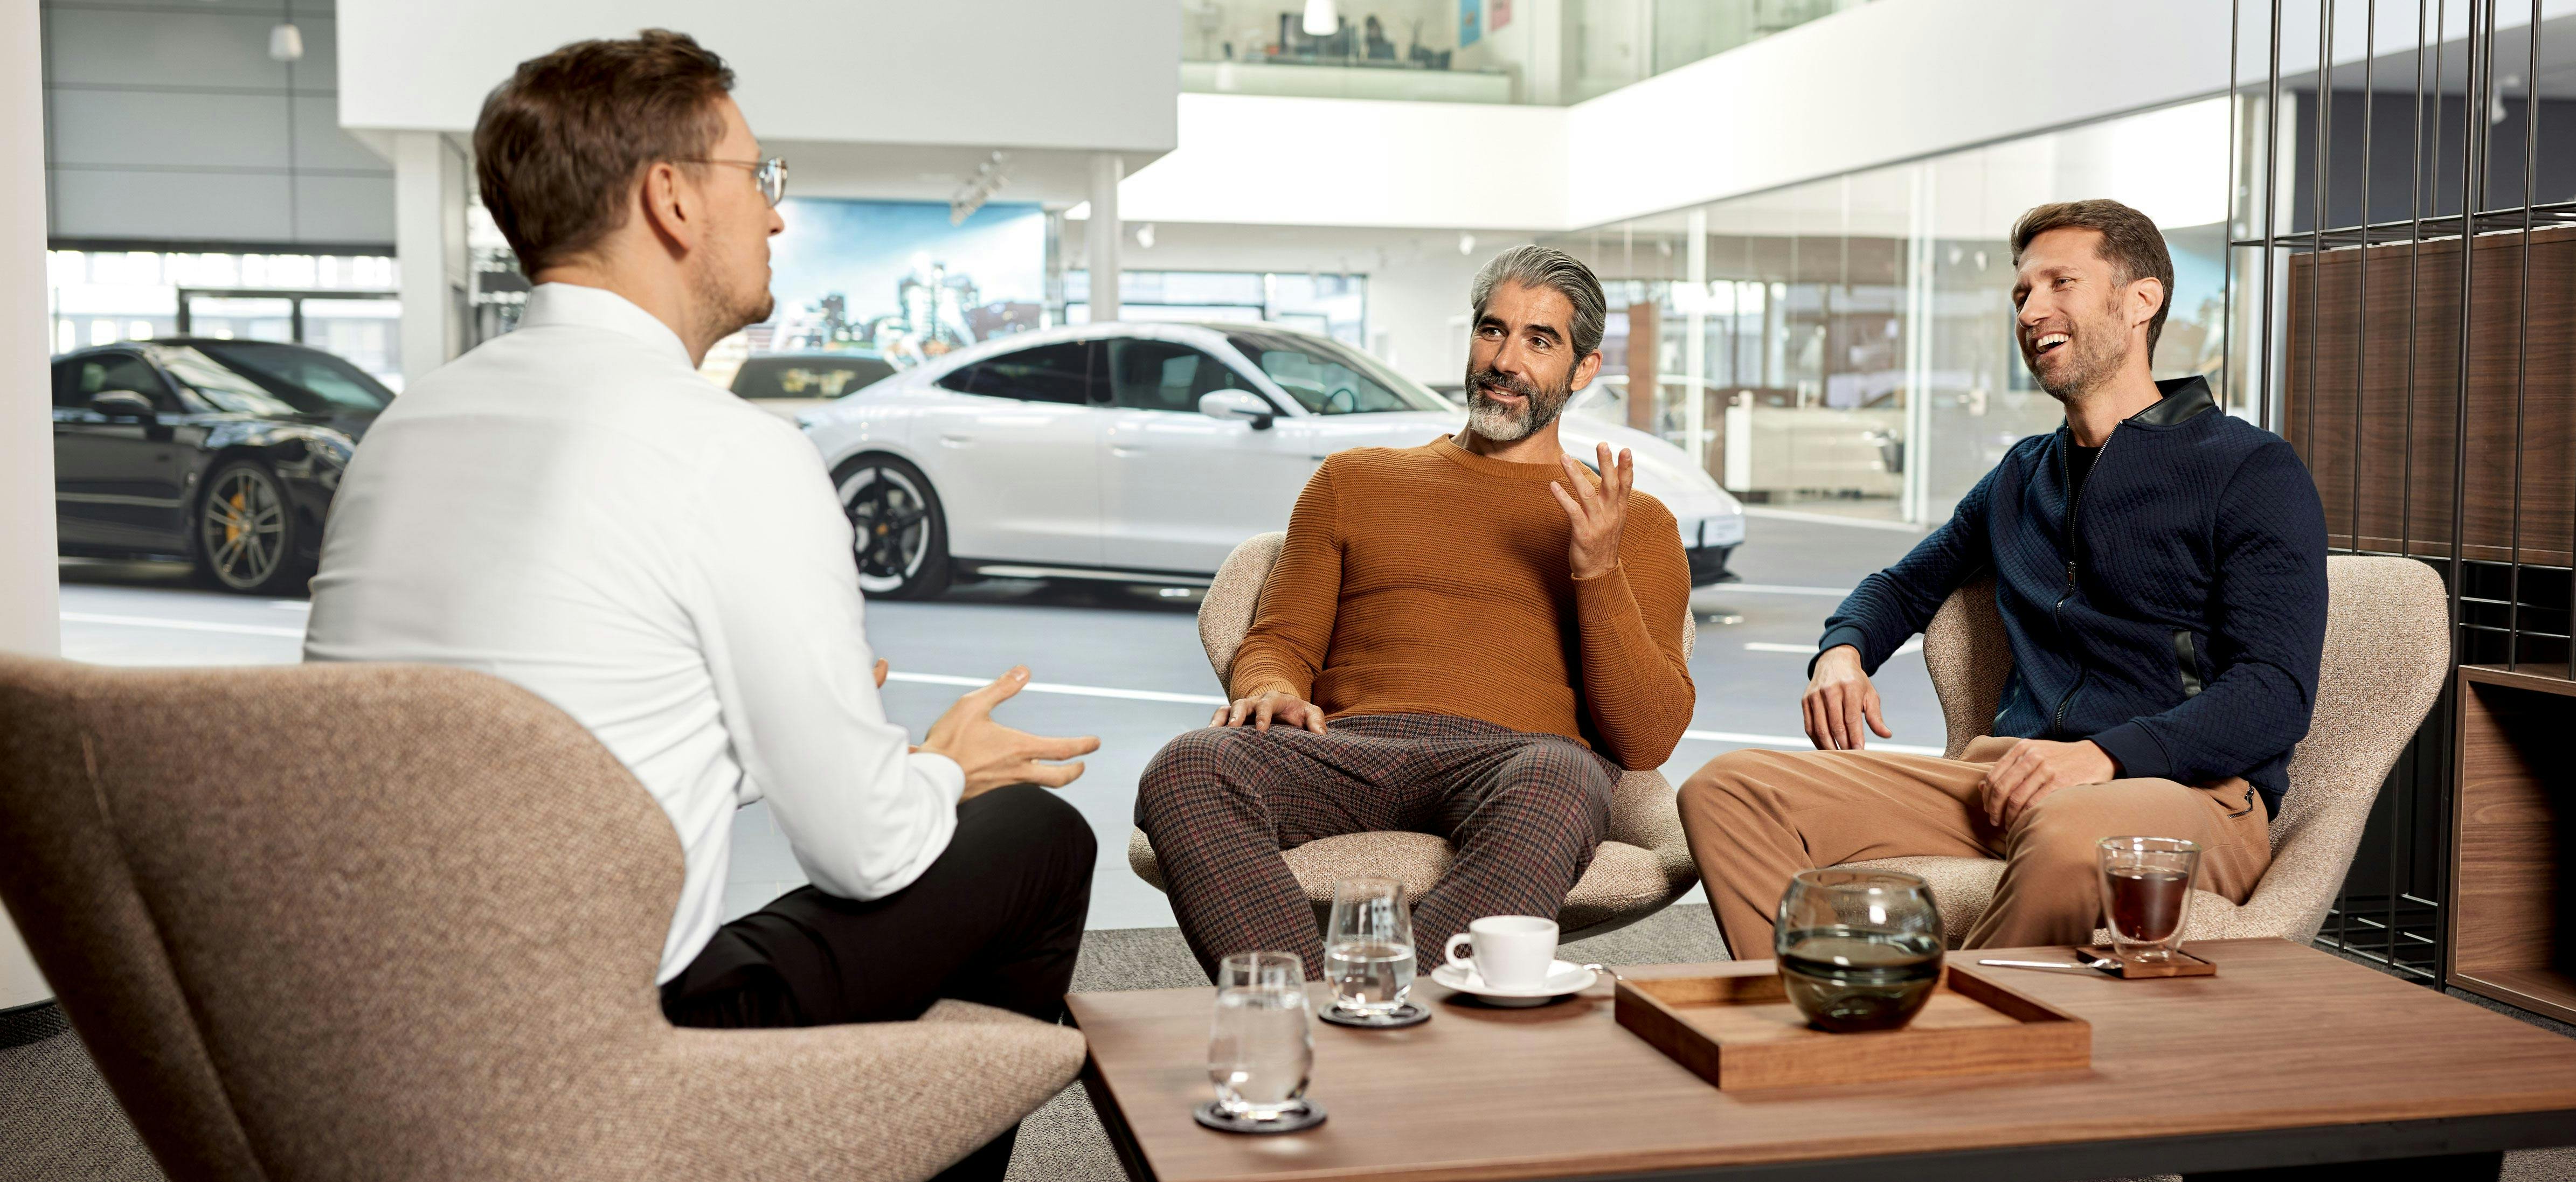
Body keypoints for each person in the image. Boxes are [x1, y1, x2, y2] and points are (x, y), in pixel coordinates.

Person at [302, 32, 1096, 1179]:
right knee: (1031, 837)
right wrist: (936, 766)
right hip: (610, 1067)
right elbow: (864, 855)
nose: (776, 216)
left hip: (362, 1055)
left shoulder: (401, 433)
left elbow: (502, 760)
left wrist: (729, 741)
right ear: (670, 197)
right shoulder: (729, 453)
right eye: (758, 177)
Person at [1678, 199, 2326, 959]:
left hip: (2187, 800)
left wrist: (2105, 755)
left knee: (2067, 833)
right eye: (2022, 293)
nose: (2032, 310)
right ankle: (1818, 1018)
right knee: (1725, 790)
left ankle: (1931, 1046)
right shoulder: (2022, 475)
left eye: (2061, 283)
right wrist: (1842, 653)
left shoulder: (2249, 467)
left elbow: (2275, 691)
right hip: (2004, 786)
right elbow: (1900, 587)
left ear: (2141, 300)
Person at [1134, 245, 1694, 978]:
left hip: (1515, 761)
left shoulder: (1633, 521)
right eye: (1493, 330)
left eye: (1540, 340)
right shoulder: (1354, 480)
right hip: (1345, 749)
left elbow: (1646, 735)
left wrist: (1596, 569)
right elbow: (1279, 641)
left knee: (1562, 777)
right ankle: (1306, 1013)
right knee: (1185, 766)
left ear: (1584, 368)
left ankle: (1408, 1022)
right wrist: (1269, 687)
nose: (1506, 359)